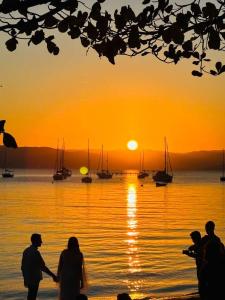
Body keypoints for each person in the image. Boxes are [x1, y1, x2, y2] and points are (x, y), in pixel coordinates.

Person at [21, 233, 57, 300]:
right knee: (32, 296)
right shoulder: (35, 252)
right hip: (34, 278)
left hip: (28, 278)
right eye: (40, 240)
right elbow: (43, 267)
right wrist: (53, 276)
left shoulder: (26, 251)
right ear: (36, 241)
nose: (41, 242)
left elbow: (22, 266)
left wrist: (25, 277)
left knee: (30, 296)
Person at [183, 231, 203, 295]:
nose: (192, 240)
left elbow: (199, 256)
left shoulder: (201, 246)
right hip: (200, 267)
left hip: (202, 268)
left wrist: (188, 254)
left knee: (202, 283)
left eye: (193, 238)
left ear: (196, 238)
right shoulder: (199, 244)